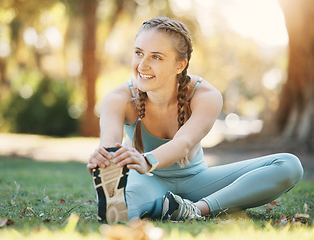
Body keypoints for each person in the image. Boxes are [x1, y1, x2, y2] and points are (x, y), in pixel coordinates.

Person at [87, 16, 304, 224]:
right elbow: (110, 142)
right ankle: (155, 206)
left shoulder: (205, 96)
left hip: (198, 181)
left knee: (289, 165)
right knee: (119, 209)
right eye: (138, 53)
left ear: (180, 65)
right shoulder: (118, 98)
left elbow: (184, 143)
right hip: (146, 180)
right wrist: (105, 157)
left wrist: (146, 161)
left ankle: (194, 209)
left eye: (156, 57)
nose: (142, 65)